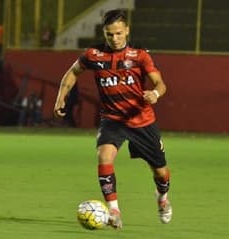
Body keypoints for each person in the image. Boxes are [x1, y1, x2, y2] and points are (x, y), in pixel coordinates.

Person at [54, 9, 172, 229]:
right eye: (110, 34)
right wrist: (61, 97)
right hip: (112, 119)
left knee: (160, 171)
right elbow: (72, 73)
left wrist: (155, 94)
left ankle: (162, 198)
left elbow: (160, 84)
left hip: (141, 120)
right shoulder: (93, 55)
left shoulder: (140, 56)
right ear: (104, 33)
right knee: (104, 156)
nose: (115, 38)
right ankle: (114, 210)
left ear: (126, 30)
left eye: (118, 33)